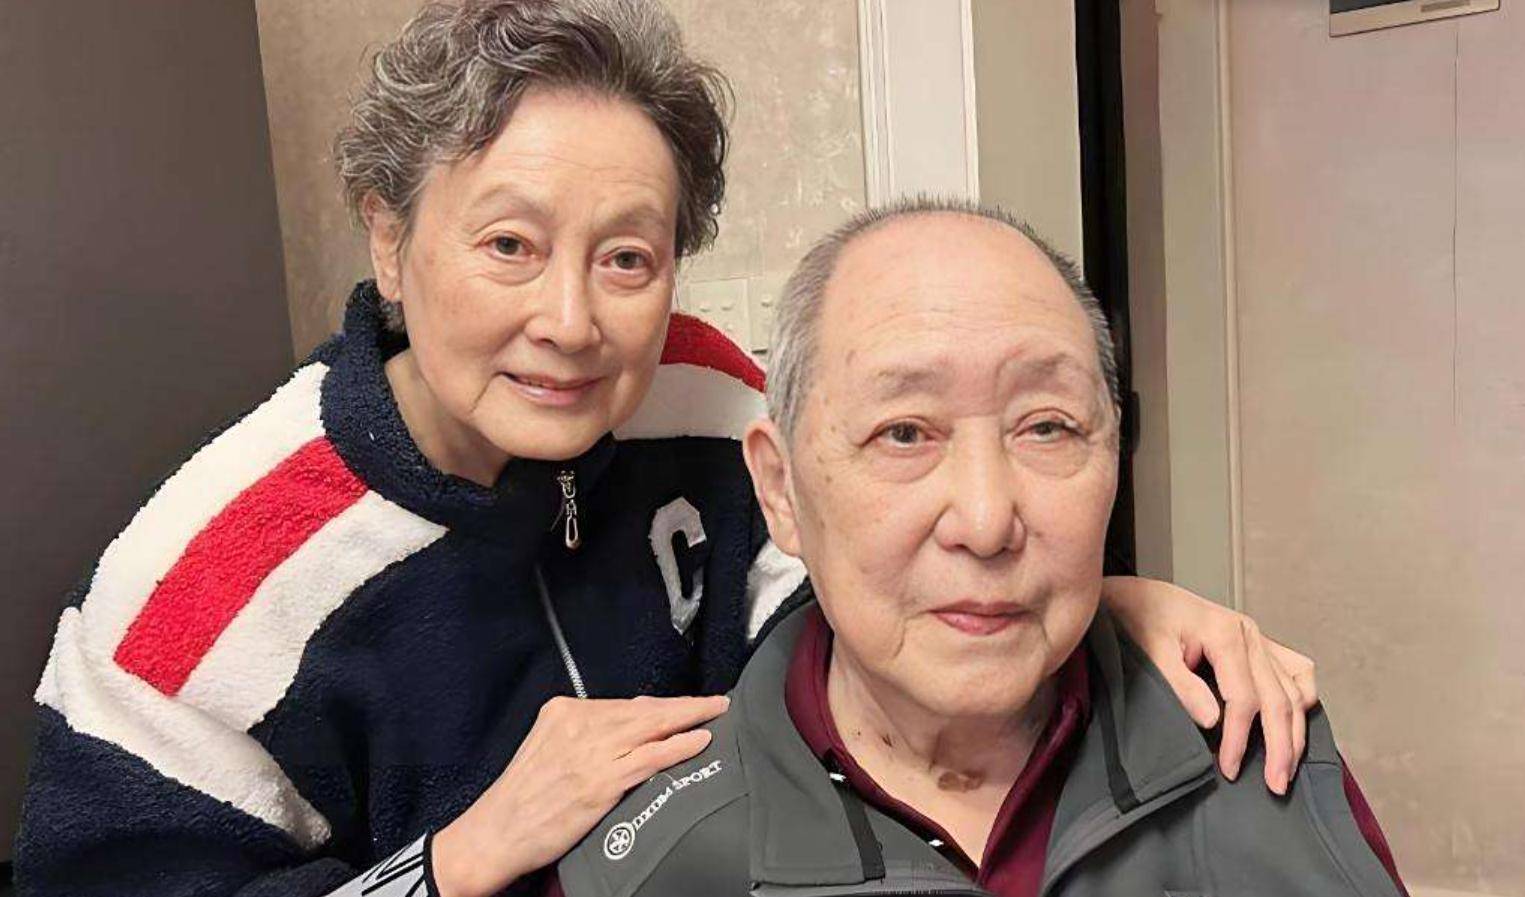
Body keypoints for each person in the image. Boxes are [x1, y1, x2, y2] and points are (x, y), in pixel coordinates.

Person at [16, 3, 1319, 897]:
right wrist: (457, 861)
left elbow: (859, 595)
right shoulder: (195, 597)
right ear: (389, 240)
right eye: (509, 245)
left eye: (627, 257)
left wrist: (1098, 607)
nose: (571, 322)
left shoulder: (700, 396)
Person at [558, 199, 1408, 897]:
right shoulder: (650, 860)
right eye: (903, 432)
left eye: (1047, 427)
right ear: (780, 490)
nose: (986, 518)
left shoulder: (1261, 744)